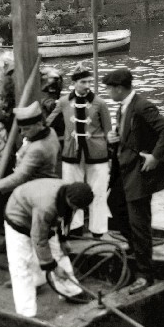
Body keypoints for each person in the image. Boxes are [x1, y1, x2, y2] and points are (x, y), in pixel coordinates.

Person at [102, 68, 164, 294]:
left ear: (119, 88)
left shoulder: (142, 106)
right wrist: (114, 139)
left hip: (139, 175)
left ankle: (145, 275)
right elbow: (130, 137)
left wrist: (156, 157)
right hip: (124, 172)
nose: (108, 92)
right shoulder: (123, 108)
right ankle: (136, 246)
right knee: (114, 204)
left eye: (109, 89)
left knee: (139, 223)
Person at [3, 178, 93, 317]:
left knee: (59, 252)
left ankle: (71, 291)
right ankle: (26, 313)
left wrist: (63, 240)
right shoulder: (46, 206)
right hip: (19, 216)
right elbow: (39, 238)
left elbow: (66, 215)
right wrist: (53, 267)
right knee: (21, 266)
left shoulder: (70, 193)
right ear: (69, 199)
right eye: (76, 206)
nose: (76, 209)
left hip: (41, 216)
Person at [48, 63, 112, 238]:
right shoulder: (63, 102)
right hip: (71, 152)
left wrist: (110, 155)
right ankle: (74, 227)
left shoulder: (100, 103)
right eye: (83, 82)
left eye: (89, 82)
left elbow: (108, 130)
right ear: (74, 83)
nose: (87, 85)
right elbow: (49, 123)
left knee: (98, 192)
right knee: (71, 190)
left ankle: (98, 230)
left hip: (96, 153)